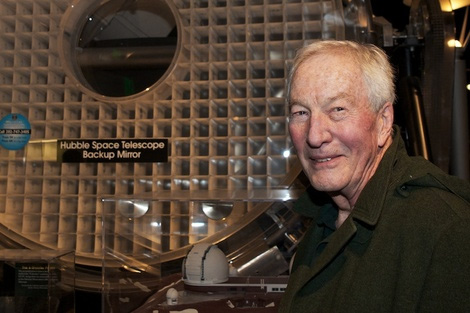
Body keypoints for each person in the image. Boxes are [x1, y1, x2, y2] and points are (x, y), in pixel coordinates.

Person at [279, 40, 470, 312]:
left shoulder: (446, 231)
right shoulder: (324, 220)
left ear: (383, 122)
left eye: (338, 110)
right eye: (301, 113)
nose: (314, 135)